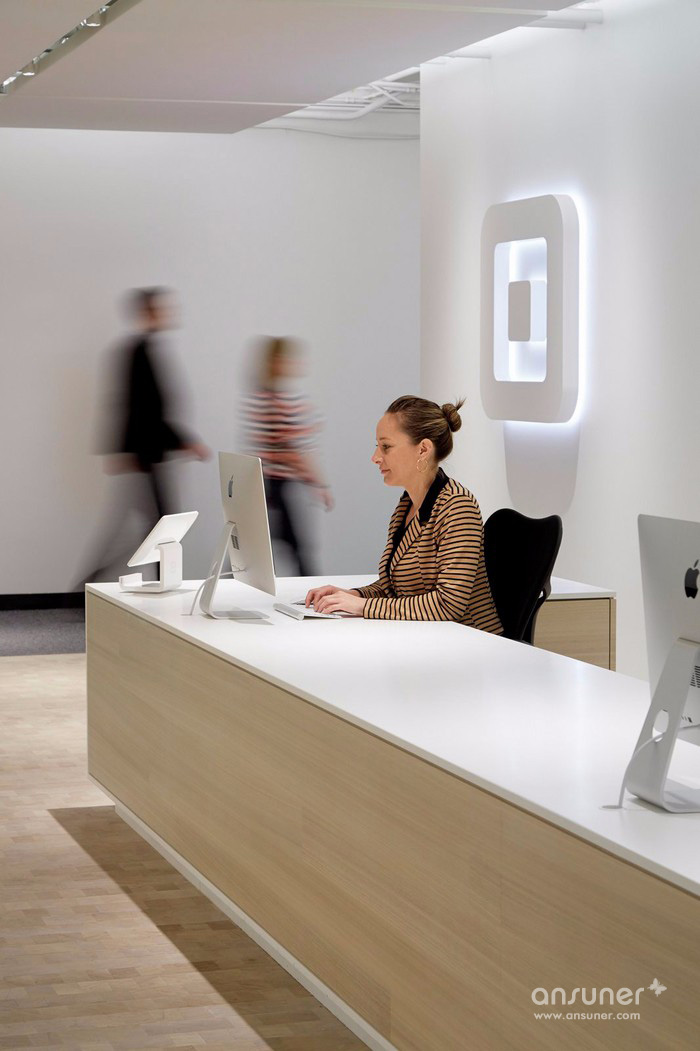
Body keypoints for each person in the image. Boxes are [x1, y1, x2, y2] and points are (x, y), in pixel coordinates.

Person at [305, 395, 503, 630]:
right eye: (377, 446)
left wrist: (363, 606)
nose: (375, 458)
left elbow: (449, 604)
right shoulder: (407, 504)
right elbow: (396, 590)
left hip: (468, 640)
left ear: (423, 449)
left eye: (386, 447)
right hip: (427, 636)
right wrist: (354, 595)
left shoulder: (458, 506)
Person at [78, 287, 209, 584]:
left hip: (146, 455)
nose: (167, 314)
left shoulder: (143, 350)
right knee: (163, 526)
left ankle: (89, 584)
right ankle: (158, 585)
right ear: (147, 313)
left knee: (155, 527)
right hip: (145, 456)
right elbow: (142, 407)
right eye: (160, 309)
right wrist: (185, 441)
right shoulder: (138, 352)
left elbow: (134, 406)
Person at [240, 336, 332, 577]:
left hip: (268, 485)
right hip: (279, 485)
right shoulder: (277, 401)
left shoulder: (264, 397)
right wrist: (319, 483)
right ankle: (313, 592)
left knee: (260, 546)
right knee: (297, 550)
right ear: (276, 361)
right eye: (288, 359)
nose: (294, 363)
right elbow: (293, 451)